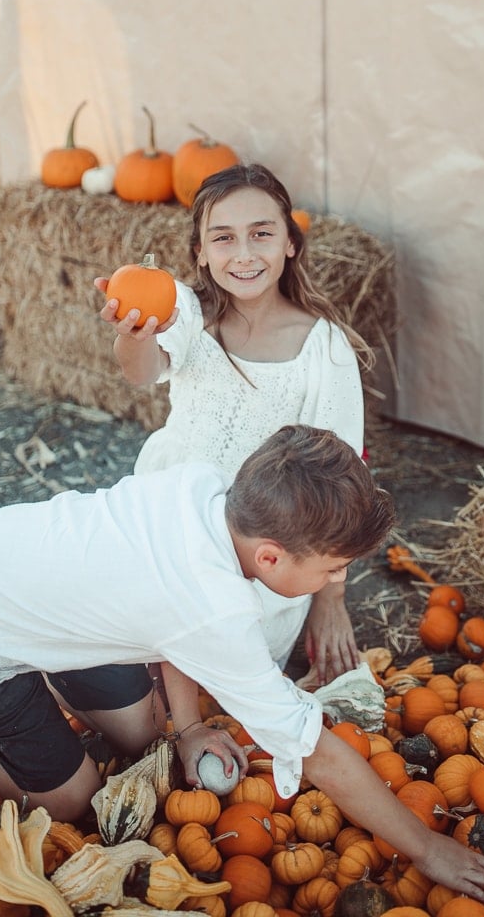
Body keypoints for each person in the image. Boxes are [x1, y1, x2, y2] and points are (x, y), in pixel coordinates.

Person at [0, 425, 484, 906]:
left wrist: (187, 729)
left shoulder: (207, 487)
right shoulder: (216, 614)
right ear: (270, 558)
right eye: (331, 569)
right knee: (72, 802)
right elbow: (314, 750)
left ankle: (50, 672)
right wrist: (427, 847)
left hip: (8, 567)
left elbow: (172, 626)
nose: (337, 580)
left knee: (139, 737)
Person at [96, 163, 373, 684]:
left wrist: (328, 599)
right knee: (126, 675)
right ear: (199, 252)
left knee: (218, 680)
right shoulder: (188, 313)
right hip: (169, 518)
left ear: (290, 243)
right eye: (223, 238)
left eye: (261, 234)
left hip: (260, 548)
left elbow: (344, 479)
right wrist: (133, 334)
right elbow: (143, 371)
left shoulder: (323, 346)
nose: (244, 254)